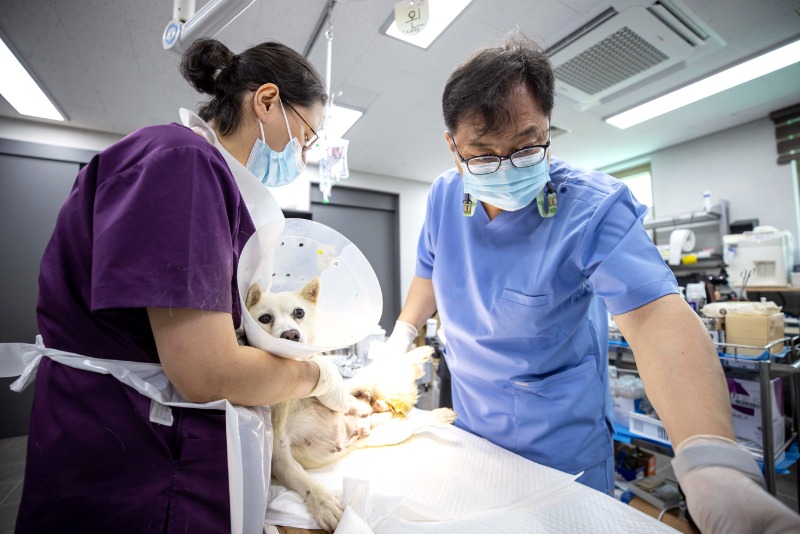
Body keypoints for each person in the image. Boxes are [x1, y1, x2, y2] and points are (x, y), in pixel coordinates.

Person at [378, 34, 800, 533]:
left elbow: (654, 319)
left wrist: (708, 458)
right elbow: (428, 273)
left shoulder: (592, 207)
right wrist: (401, 337)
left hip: (563, 455)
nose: (507, 165)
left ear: (549, 129)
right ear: (453, 147)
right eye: (484, 154)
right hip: (476, 439)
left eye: (527, 146)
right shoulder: (444, 198)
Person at [14, 38, 348, 532]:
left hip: (132, 435)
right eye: (305, 135)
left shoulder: (200, 174)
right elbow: (206, 371)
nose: (303, 153)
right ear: (268, 101)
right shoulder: (183, 163)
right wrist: (315, 377)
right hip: (132, 452)